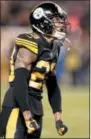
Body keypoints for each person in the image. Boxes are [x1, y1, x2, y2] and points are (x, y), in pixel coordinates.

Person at [0, 1, 71, 138]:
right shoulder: (30, 42)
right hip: (17, 105)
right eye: (57, 20)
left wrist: (58, 119)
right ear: (43, 21)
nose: (62, 23)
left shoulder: (54, 47)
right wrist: (26, 116)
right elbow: (19, 80)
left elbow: (52, 85)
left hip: (36, 107)